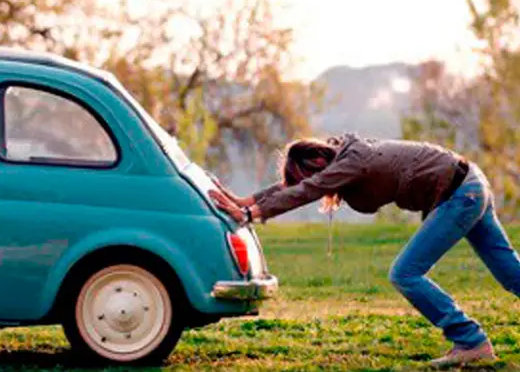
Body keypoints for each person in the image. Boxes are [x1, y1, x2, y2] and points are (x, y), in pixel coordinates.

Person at [208, 133, 520, 369]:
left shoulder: (354, 161)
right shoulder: (344, 156)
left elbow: (306, 190)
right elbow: (297, 187)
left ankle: (470, 340)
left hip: (461, 194)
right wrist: (246, 201)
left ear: (318, 163)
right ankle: (471, 342)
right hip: (470, 184)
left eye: (312, 176)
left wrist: (250, 214)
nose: (318, 186)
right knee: (509, 271)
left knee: (405, 274)